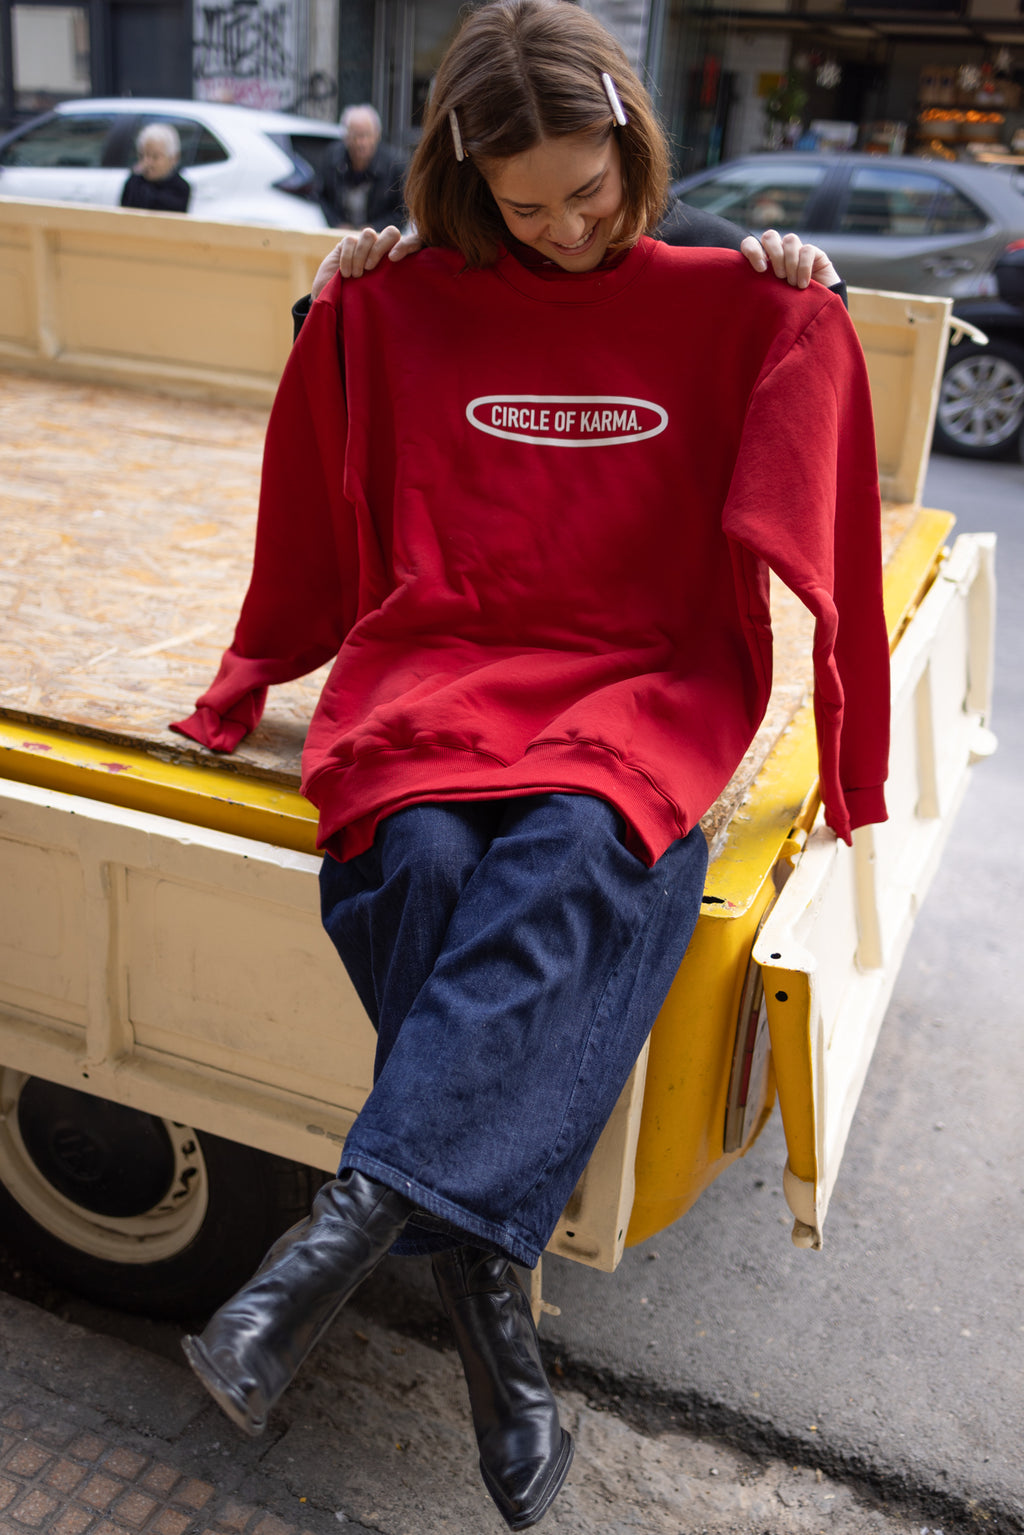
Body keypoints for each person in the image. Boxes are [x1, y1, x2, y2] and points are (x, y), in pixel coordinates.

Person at [172, 2, 890, 1527]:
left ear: (636, 142)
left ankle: (333, 1243)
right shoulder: (402, 294)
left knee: (579, 837)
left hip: (647, 673)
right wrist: (336, 305)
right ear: (464, 182)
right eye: (526, 204)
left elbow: (816, 496)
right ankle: (497, 1322)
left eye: (593, 187)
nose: (568, 229)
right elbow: (316, 469)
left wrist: (800, 304)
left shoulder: (738, 300)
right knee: (417, 857)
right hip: (449, 654)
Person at [318, 103, 407, 230]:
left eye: (366, 135)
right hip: (341, 236)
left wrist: (373, 228)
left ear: (377, 135)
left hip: (380, 239)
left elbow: (403, 211)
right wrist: (337, 224)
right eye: (355, 136)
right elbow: (322, 197)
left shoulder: (395, 166)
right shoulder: (332, 159)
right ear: (346, 137)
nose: (361, 143)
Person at [120, 123, 191, 214]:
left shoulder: (180, 187)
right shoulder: (134, 181)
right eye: (142, 156)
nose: (147, 162)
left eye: (155, 157)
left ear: (173, 158)